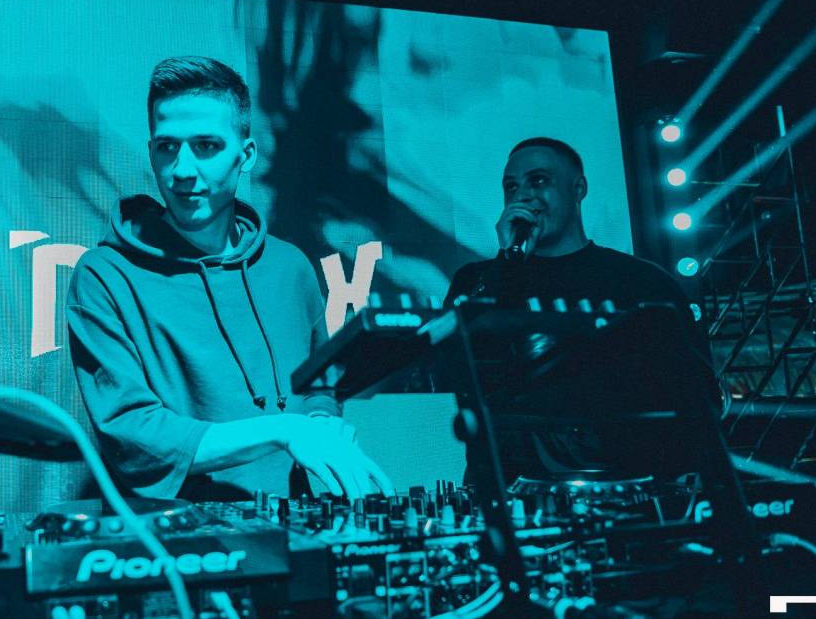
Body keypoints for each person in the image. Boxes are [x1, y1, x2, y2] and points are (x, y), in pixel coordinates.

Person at [67, 56, 393, 501]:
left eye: (206, 146)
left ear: (246, 155)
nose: (182, 170)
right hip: (168, 535)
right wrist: (282, 430)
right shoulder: (103, 276)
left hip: (291, 526)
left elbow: (319, 386)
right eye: (167, 147)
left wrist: (318, 422)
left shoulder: (290, 267)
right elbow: (134, 435)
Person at [445, 137, 716, 480]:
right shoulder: (478, 280)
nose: (523, 195)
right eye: (511, 186)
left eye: (538, 180)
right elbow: (457, 366)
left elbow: (692, 393)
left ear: (578, 189)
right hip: (509, 487)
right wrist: (508, 263)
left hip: (623, 484)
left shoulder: (641, 281)